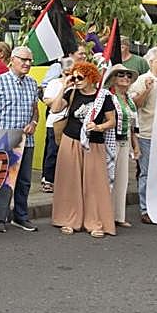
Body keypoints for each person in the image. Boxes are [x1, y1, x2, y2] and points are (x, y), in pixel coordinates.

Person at [49, 61, 117, 238]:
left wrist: (99, 127)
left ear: (91, 77)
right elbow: (55, 109)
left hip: (94, 143)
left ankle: (95, 221)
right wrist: (64, 86)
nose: (77, 81)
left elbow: (112, 121)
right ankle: (69, 219)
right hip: (71, 141)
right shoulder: (72, 93)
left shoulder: (104, 97)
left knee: (94, 183)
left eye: (80, 77)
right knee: (70, 182)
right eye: (74, 77)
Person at [0, 46, 40, 233]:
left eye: (30, 60)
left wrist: (34, 122)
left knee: (24, 181)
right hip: (4, 141)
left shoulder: (33, 83)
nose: (27, 63)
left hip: (27, 141)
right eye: (23, 60)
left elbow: (35, 109)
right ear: (12, 60)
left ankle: (21, 217)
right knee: (3, 180)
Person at [129, 46, 157, 224]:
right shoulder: (143, 80)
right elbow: (134, 104)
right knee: (147, 172)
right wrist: (146, 90)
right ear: (151, 62)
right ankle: (146, 209)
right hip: (148, 134)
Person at [105, 64, 141, 228]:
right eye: (121, 75)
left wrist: (136, 146)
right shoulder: (108, 97)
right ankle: (105, 216)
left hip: (125, 140)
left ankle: (118, 215)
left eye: (128, 75)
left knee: (122, 179)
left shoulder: (129, 100)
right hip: (110, 140)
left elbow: (133, 126)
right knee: (108, 178)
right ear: (113, 78)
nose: (125, 78)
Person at [41, 57, 76, 193]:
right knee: (53, 152)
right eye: (66, 72)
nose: (69, 75)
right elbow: (48, 102)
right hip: (55, 122)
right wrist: (64, 90)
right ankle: (48, 179)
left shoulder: (78, 84)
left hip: (71, 123)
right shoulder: (54, 83)